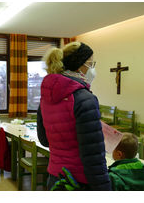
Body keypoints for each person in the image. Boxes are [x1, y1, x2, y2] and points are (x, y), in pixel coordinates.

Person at [37, 42, 111, 190]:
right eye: (91, 63)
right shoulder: (85, 99)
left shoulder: (47, 97)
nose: (93, 68)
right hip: (78, 181)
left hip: (55, 177)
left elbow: (44, 140)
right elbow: (93, 157)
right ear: (80, 65)